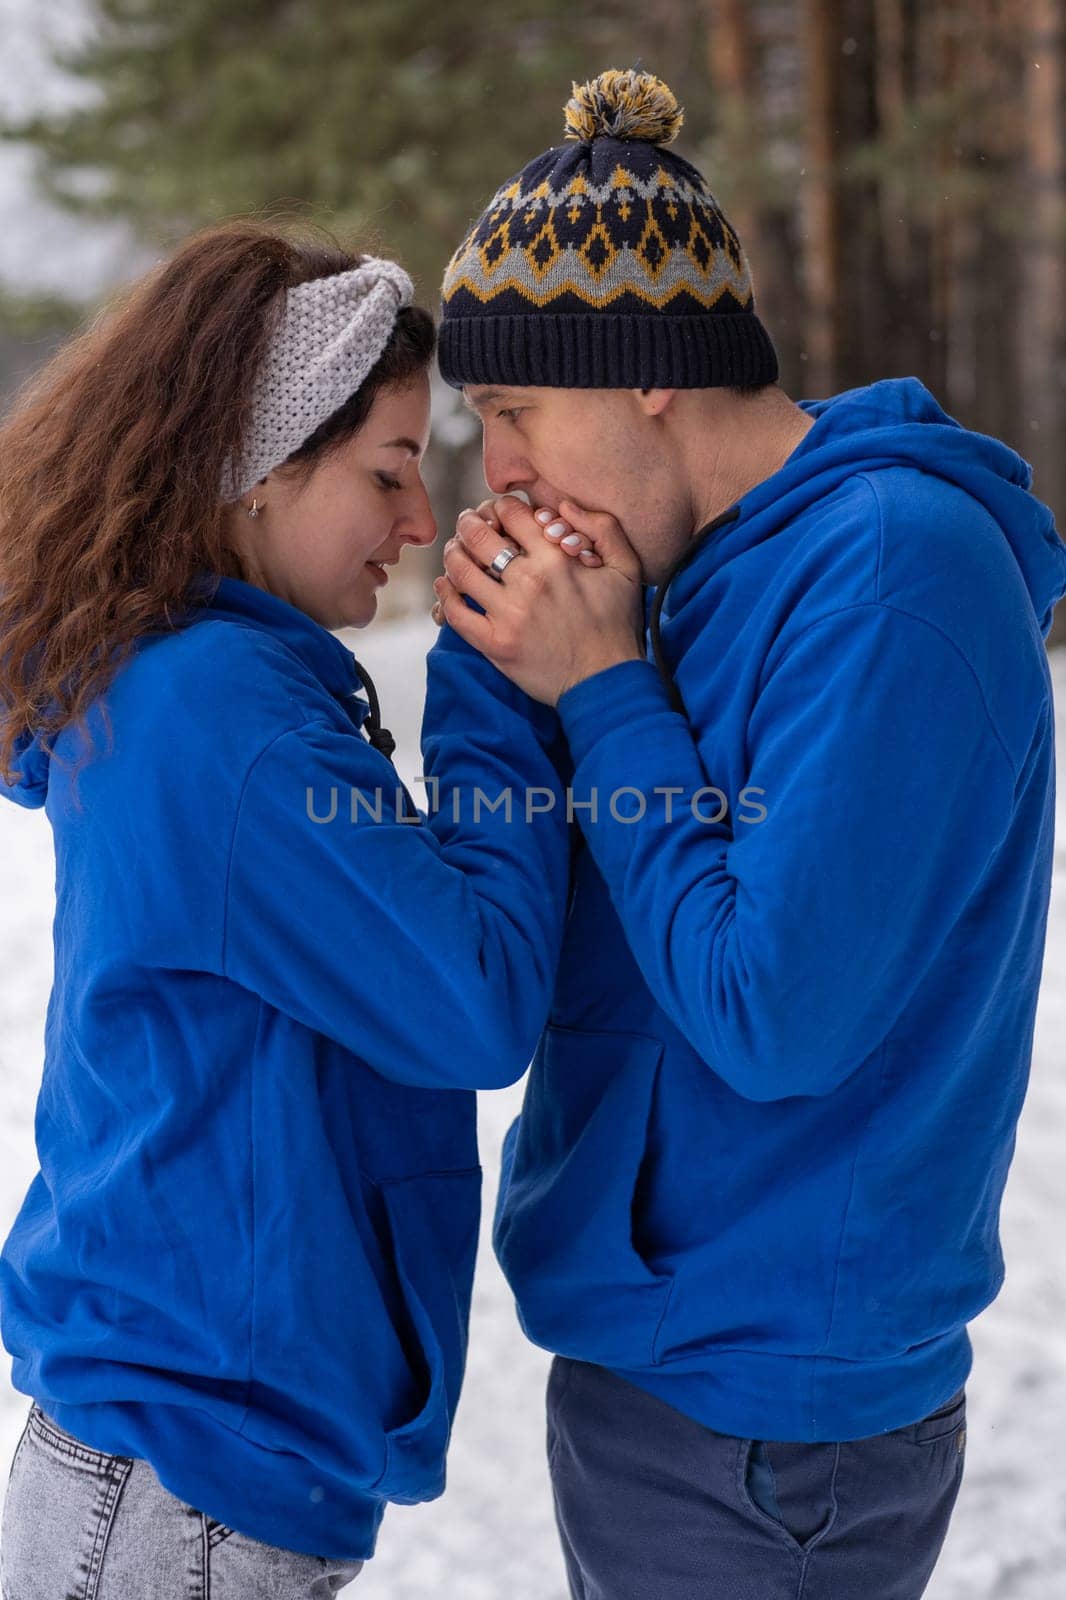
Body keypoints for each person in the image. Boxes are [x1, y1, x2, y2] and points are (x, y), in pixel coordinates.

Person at [429, 68, 1066, 1599]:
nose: (495, 468)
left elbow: (769, 1012)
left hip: (774, 1417)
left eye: (514, 410)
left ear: (643, 369)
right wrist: (500, 668)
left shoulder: (892, 575)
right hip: (669, 1364)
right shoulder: (694, 579)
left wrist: (599, 689)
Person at [0, 221, 577, 1597]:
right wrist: (503, 683)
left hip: (184, 1434)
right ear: (253, 467)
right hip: (194, 1455)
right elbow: (471, 999)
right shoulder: (222, 711)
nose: (421, 519)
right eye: (388, 469)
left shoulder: (192, 684)